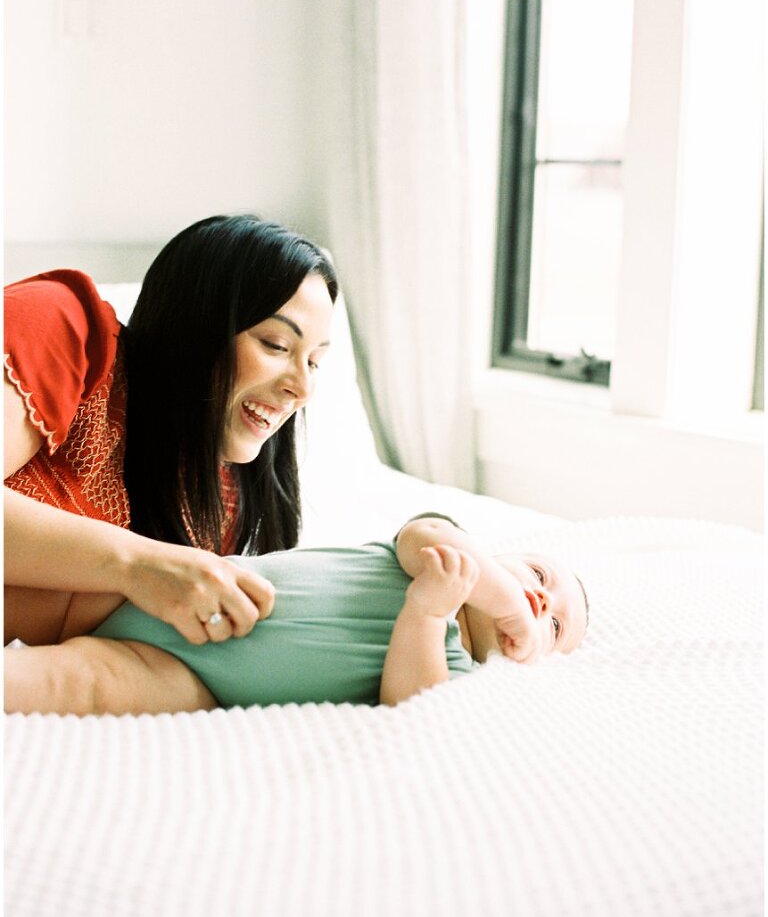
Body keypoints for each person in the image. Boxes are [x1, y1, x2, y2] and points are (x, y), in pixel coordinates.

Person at [4, 214, 338, 650]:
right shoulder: (60, 322)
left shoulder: (219, 503)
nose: (303, 387)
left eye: (314, 361)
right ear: (195, 325)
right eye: (276, 345)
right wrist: (139, 565)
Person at [4, 514, 589, 715]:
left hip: (194, 680)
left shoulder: (455, 668)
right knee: (46, 601)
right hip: (181, 592)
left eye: (554, 626)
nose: (542, 600)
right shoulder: (433, 552)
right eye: (540, 576)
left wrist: (428, 614)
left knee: (83, 687)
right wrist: (509, 603)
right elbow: (427, 534)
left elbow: (411, 704)